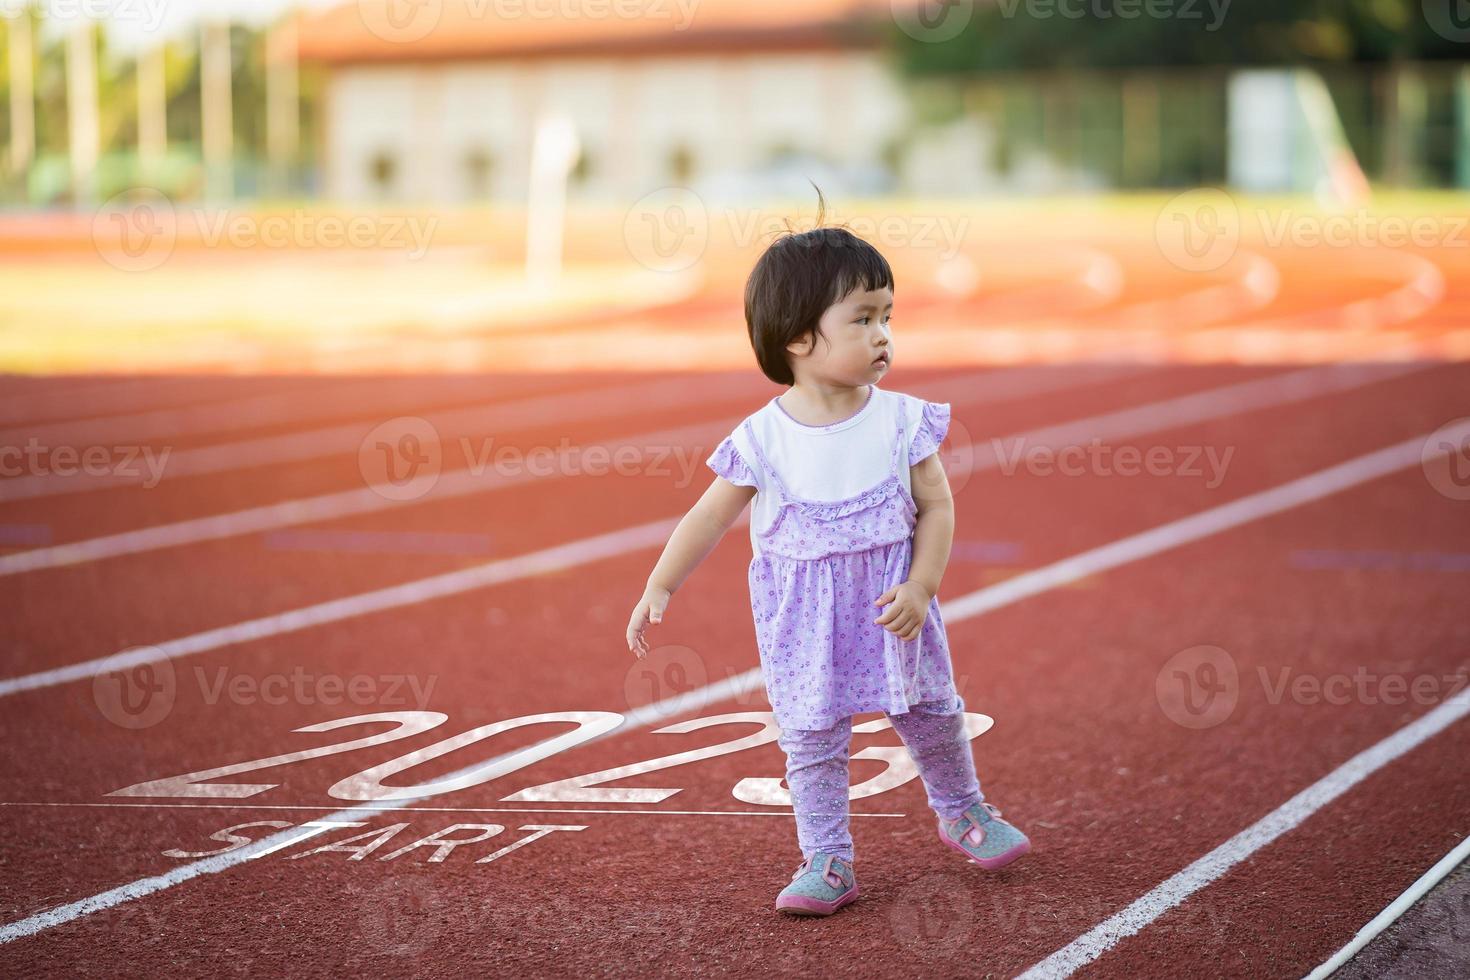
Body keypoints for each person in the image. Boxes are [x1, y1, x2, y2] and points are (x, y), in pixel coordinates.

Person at [625, 206, 1029, 917]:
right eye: (864, 319)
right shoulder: (763, 438)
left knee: (934, 715)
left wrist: (922, 583)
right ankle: (827, 858)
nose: (883, 336)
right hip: (804, 622)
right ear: (800, 338)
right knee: (812, 740)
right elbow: (710, 514)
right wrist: (662, 583)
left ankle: (964, 811)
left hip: (893, 607)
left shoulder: (902, 420)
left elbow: (937, 506)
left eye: (888, 317)